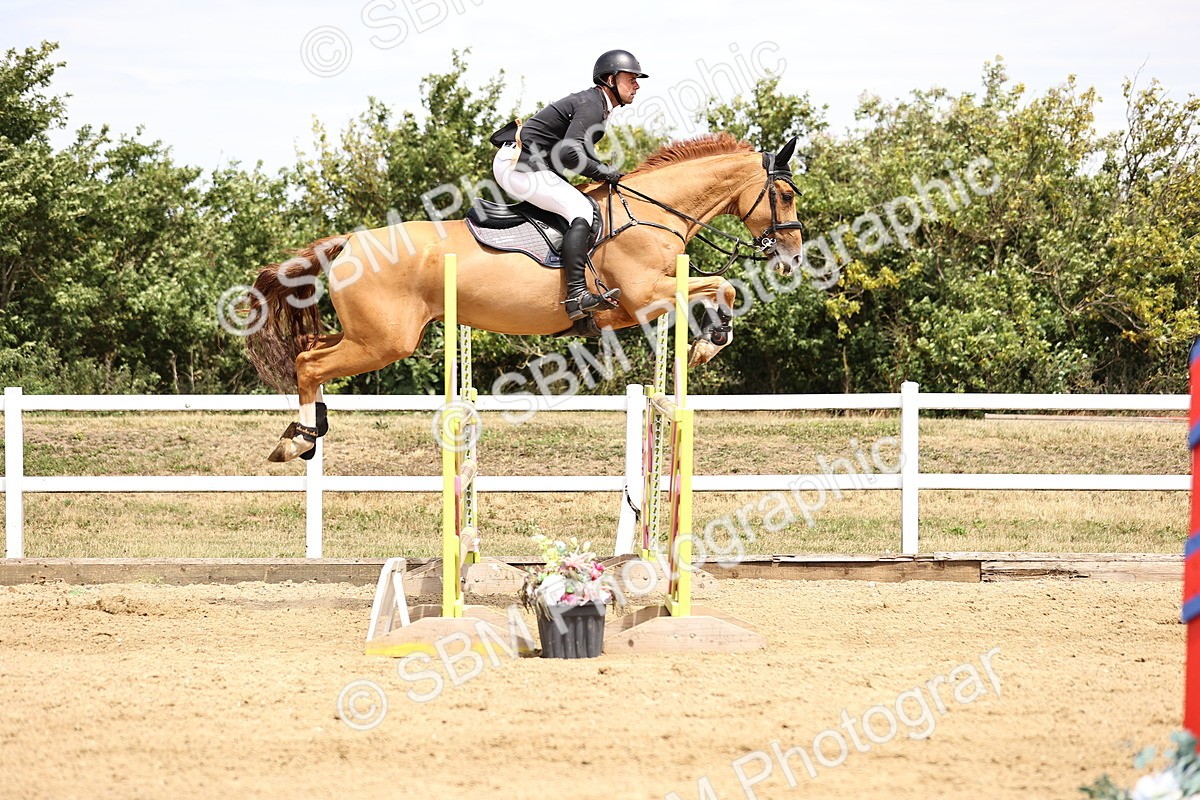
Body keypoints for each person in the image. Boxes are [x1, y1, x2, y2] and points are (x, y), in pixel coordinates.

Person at [491, 50, 647, 320]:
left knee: (578, 204)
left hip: (531, 164)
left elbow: (577, 152)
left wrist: (603, 171)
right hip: (519, 164)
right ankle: (576, 294)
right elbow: (570, 154)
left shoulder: (597, 105)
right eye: (631, 79)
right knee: (582, 210)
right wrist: (603, 171)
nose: (637, 85)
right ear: (611, 79)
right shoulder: (592, 105)